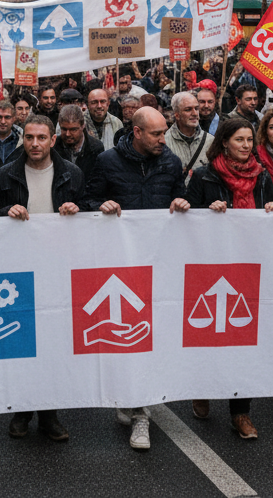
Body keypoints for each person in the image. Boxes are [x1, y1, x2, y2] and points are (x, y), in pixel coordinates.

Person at [83, 107, 188, 450]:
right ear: (137, 132)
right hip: (119, 263)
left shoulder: (170, 162)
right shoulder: (107, 161)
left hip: (158, 262)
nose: (163, 139)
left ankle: (139, 409)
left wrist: (181, 203)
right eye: (156, 134)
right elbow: (87, 199)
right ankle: (131, 400)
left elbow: (182, 196)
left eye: (164, 133)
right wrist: (101, 206)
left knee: (150, 334)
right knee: (126, 333)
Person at [186, 117, 273, 437]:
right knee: (208, 335)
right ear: (224, 142)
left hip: (249, 267)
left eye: (249, 140)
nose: (246, 145)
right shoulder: (204, 175)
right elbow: (186, 218)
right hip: (211, 266)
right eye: (239, 140)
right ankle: (201, 387)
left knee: (244, 340)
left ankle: (240, 412)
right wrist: (205, 212)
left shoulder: (262, 175)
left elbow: (271, 210)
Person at [0, 114, 82, 443]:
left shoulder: (71, 173)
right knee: (22, 343)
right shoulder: (6, 174)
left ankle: (49, 415)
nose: (34, 144)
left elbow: (87, 209)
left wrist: (78, 210)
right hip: (18, 271)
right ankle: (21, 411)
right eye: (29, 137)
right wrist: (5, 213)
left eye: (41, 138)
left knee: (52, 345)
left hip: (58, 269)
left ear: (52, 140)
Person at [165, 91, 214, 175]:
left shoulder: (210, 141)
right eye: (188, 110)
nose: (194, 113)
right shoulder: (165, 142)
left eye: (196, 108)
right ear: (177, 115)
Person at [53, 103, 104, 179]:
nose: (68, 134)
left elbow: (97, 179)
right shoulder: (54, 146)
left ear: (83, 126)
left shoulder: (96, 148)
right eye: (64, 129)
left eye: (73, 130)